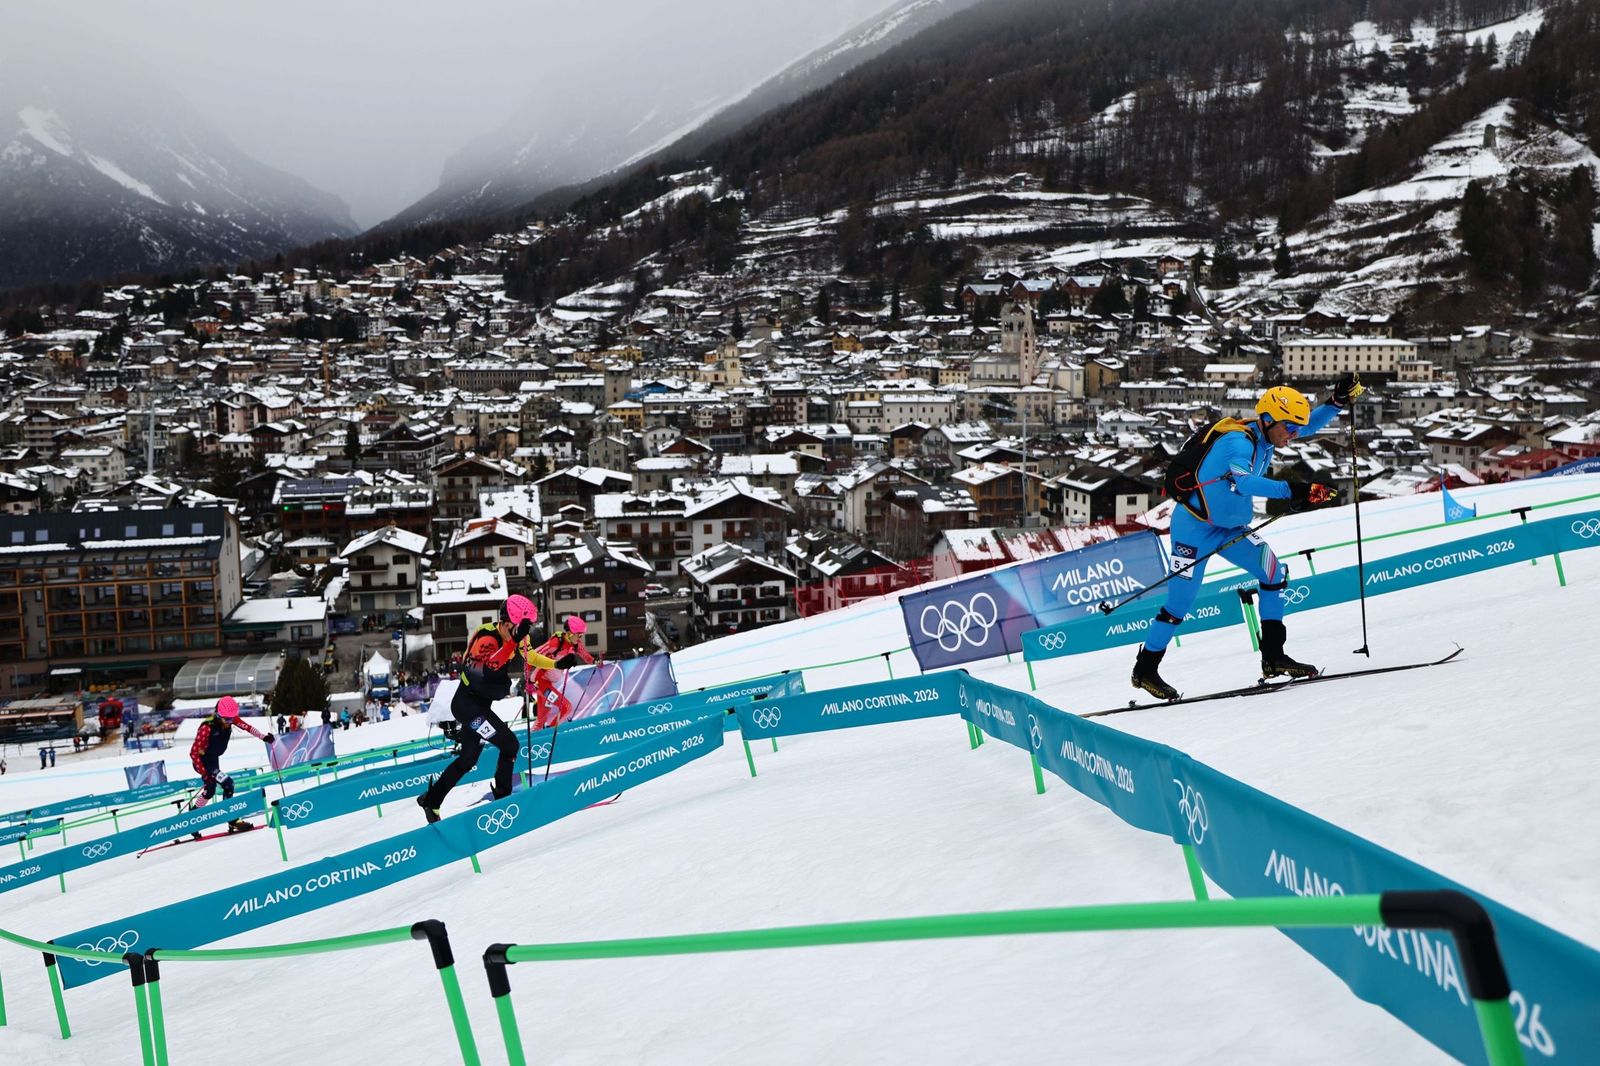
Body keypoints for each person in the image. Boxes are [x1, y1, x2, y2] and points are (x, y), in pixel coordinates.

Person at [1131, 377, 1358, 700]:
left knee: (1273, 573)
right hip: (1193, 531)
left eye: (1295, 428)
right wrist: (1294, 490)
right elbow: (1245, 483)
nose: (1294, 435)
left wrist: (1335, 402)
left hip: (1230, 529)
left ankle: (1274, 656)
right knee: (1179, 603)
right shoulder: (1238, 443)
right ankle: (1145, 670)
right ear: (1268, 420)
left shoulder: (1266, 435)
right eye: (1289, 428)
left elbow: (1307, 427)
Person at [416, 594, 579, 822]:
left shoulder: (515, 635)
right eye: (518, 627)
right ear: (506, 622)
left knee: (468, 758)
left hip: (480, 705)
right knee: (510, 745)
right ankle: (503, 799)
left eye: (524, 628)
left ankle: (431, 800)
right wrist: (513, 642)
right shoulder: (486, 639)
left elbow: (529, 654)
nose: (521, 632)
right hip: (467, 706)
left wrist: (556, 663)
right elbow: (487, 671)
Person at [189, 696, 274, 832]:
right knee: (228, 783)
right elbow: (193, 754)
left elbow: (248, 727)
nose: (230, 722)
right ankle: (231, 819)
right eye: (227, 719)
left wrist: (263, 736)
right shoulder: (207, 728)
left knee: (210, 791)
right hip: (202, 762)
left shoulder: (231, 718)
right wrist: (205, 774)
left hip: (213, 760)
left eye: (232, 718)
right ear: (218, 715)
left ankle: (192, 817)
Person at [531, 615, 597, 728]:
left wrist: (595, 661)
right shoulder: (556, 643)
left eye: (582, 635)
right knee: (566, 707)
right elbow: (533, 655)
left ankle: (539, 737)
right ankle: (551, 732)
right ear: (570, 633)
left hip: (548, 683)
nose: (580, 637)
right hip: (540, 681)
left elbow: (585, 655)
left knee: (542, 717)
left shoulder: (575, 645)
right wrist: (529, 679)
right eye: (579, 634)